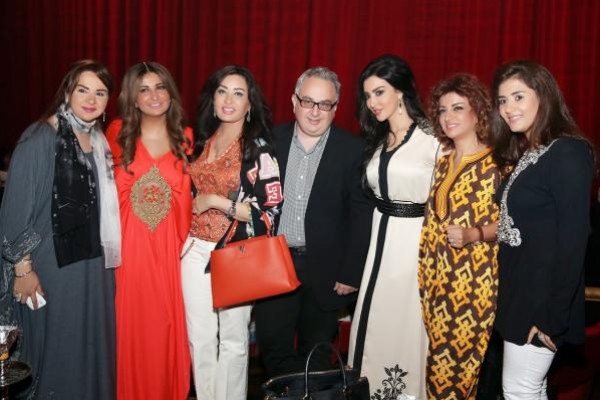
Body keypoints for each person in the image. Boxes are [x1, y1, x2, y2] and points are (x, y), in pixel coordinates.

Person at [0, 60, 120, 399]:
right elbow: (15, 210)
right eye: (83, 90)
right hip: (50, 269)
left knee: (91, 349)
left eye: (100, 93)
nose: (91, 99)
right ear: (67, 91)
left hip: (93, 269)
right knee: (58, 350)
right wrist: (23, 269)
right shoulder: (40, 137)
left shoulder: (98, 141)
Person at [254, 67, 372, 378]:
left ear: (336, 107)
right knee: (274, 351)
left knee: (317, 357)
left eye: (325, 104)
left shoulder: (353, 150)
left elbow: (361, 215)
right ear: (294, 101)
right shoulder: (269, 142)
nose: (315, 112)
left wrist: (351, 272)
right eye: (308, 102)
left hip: (327, 271)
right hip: (274, 263)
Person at [492, 60, 595, 399]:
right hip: (522, 293)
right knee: (527, 390)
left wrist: (553, 316)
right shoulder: (532, 152)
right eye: (502, 100)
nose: (508, 108)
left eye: (518, 97)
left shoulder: (568, 152)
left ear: (544, 96)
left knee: (519, 390)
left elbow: (574, 240)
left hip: (542, 301)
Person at [181, 65, 282, 400]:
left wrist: (214, 201)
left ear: (249, 104)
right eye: (222, 91)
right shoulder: (200, 142)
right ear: (212, 99)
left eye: (238, 94)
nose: (228, 100)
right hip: (193, 250)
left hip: (234, 254)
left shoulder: (258, 150)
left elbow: (269, 212)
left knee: (234, 343)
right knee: (200, 340)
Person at [347, 54, 439, 399]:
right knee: (374, 326)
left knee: (405, 326)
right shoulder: (377, 138)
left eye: (379, 92)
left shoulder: (433, 138)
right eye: (367, 95)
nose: (372, 103)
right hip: (379, 247)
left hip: (413, 248)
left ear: (401, 90)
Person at [106, 61, 191, 400]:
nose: (154, 96)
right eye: (144, 89)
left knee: (166, 329)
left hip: (172, 253)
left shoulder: (186, 138)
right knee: (132, 330)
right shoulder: (116, 134)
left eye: (160, 87)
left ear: (170, 92)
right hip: (130, 254)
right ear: (133, 98)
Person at [418, 74, 500, 399]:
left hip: (473, 288)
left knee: (454, 379)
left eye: (457, 108)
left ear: (477, 112)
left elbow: (512, 224)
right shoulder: (442, 163)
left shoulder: (497, 164)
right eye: (442, 110)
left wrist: (473, 233)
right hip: (435, 284)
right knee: (438, 374)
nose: (447, 116)